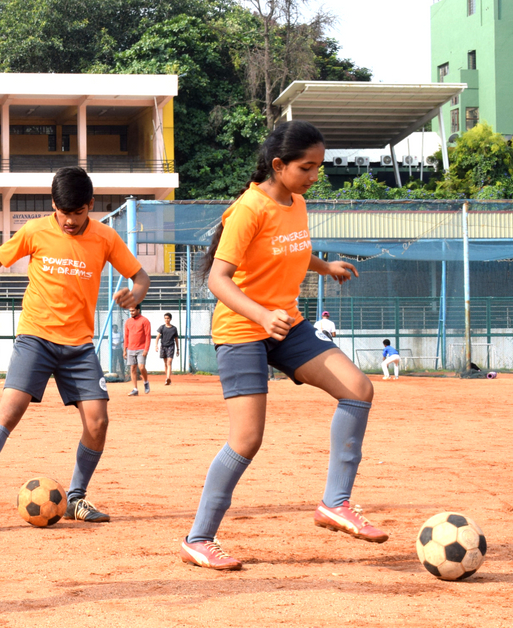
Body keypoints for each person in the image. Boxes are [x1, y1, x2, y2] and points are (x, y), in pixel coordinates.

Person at [178, 121, 384, 572]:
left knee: (358, 388)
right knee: (247, 439)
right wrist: (260, 314)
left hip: (285, 325)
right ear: (278, 165)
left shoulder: (298, 204)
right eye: (306, 167)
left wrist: (324, 266)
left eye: (319, 167)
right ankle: (199, 538)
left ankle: (335, 503)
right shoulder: (248, 209)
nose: (315, 175)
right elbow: (218, 278)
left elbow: (287, 250)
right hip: (241, 328)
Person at [0, 166, 149, 526]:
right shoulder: (35, 230)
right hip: (35, 338)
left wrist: (136, 295)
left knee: (98, 423)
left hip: (79, 347)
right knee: (9, 411)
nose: (69, 220)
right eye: (62, 212)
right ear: (53, 204)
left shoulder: (105, 238)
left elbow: (140, 275)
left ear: (90, 205)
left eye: (77, 212)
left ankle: (76, 499)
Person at [123, 306, 151, 395]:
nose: (131, 312)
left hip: (141, 348)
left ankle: (146, 382)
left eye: (133, 310)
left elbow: (148, 336)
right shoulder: (128, 322)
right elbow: (126, 336)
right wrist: (125, 350)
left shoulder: (145, 321)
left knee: (141, 367)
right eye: (130, 311)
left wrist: (146, 349)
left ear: (138, 310)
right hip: (130, 349)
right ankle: (135, 389)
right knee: (132, 368)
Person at [155, 313, 180, 385]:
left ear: (170, 319)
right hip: (163, 346)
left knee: (169, 362)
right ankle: (167, 378)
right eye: (165, 318)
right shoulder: (162, 327)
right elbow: (157, 337)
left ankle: (168, 378)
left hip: (171, 346)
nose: (166, 319)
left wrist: (178, 349)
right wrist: (156, 346)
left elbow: (176, 339)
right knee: (165, 363)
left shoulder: (174, 329)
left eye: (168, 318)